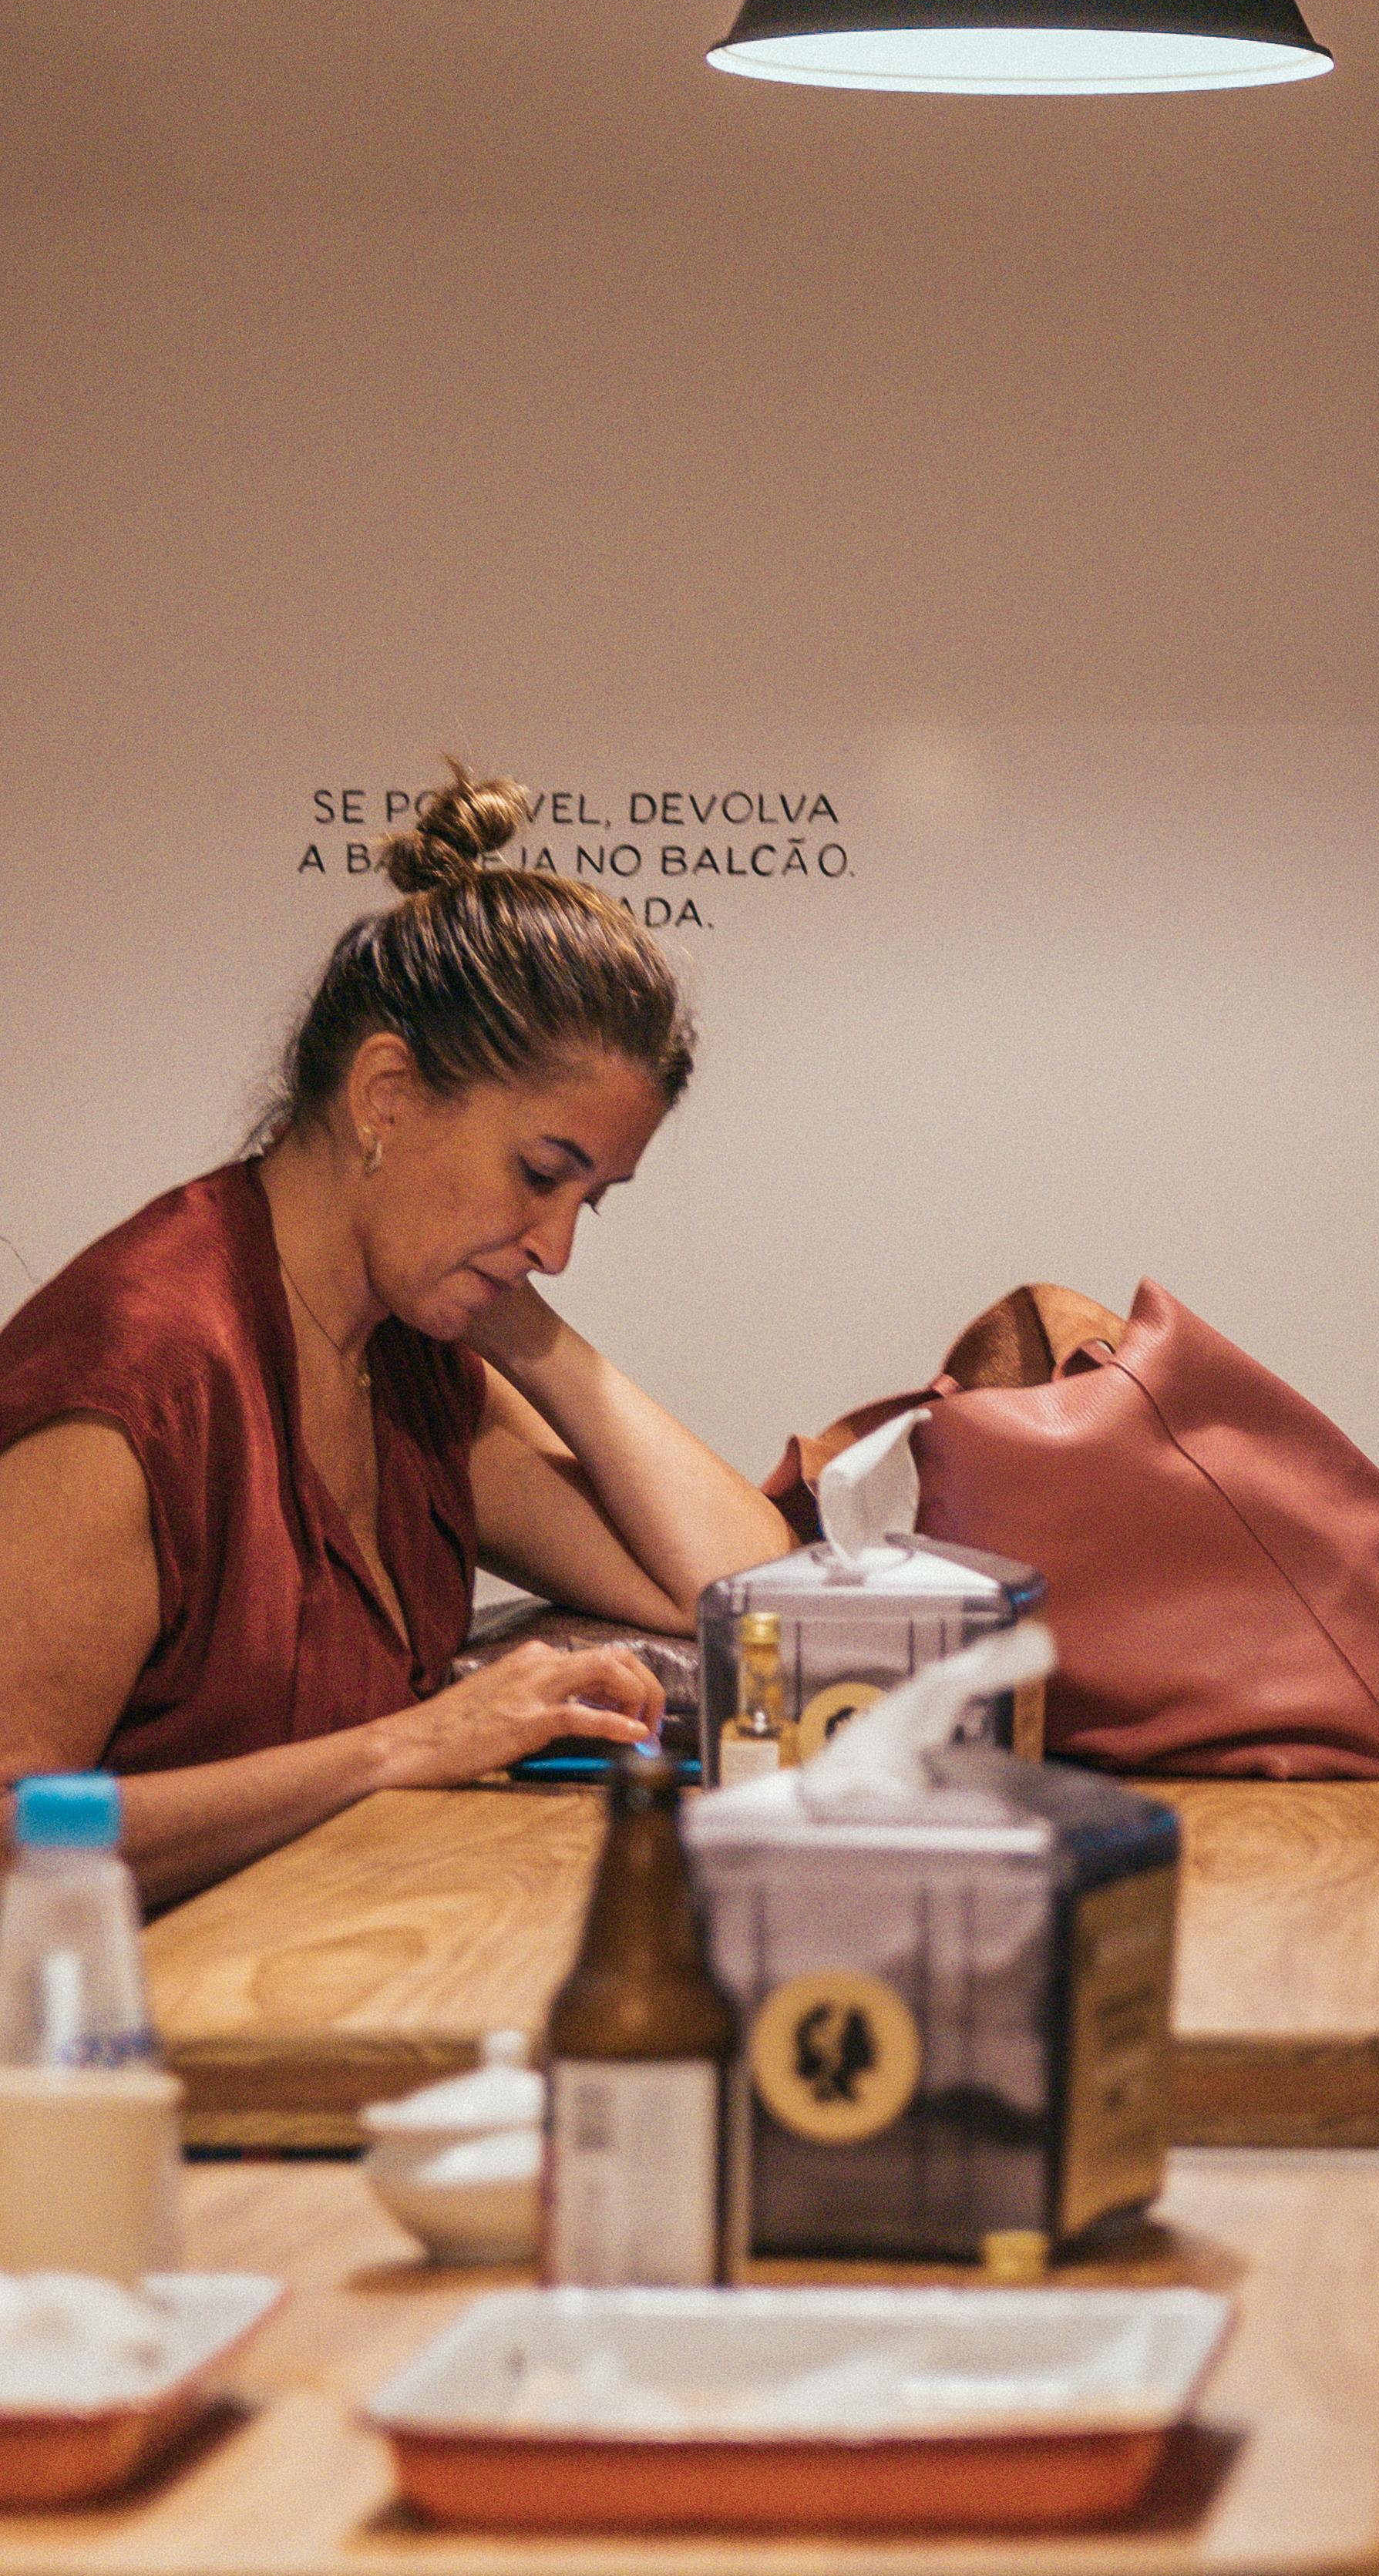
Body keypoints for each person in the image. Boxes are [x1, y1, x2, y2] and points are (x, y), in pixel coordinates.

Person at [0, 772, 789, 1906]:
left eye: (590, 1202)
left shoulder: (413, 1351)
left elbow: (744, 1601)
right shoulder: (136, 1378)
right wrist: (408, 1747)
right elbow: (11, 1831)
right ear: (386, 1094)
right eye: (539, 1175)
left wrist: (533, 1331)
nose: (558, 1244)